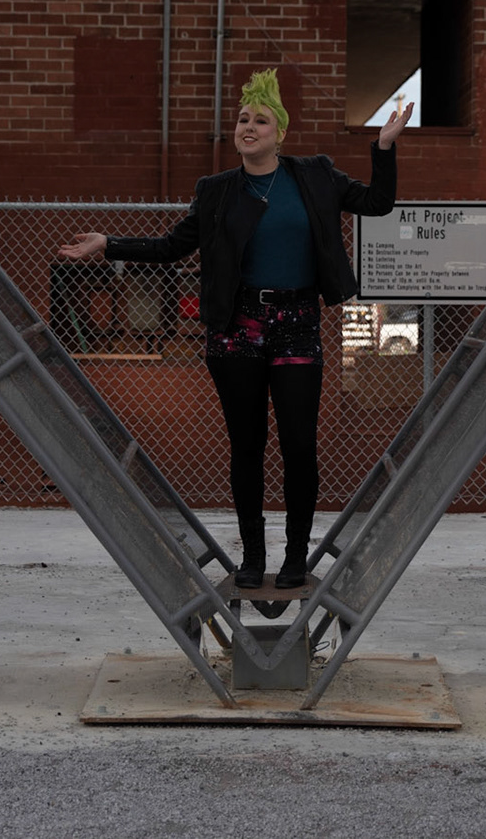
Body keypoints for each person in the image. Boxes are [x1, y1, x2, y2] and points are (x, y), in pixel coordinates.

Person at [59, 70, 411, 592]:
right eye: (243, 119)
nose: (248, 127)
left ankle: (296, 557)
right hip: (237, 330)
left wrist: (382, 147)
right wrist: (110, 244)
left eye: (260, 120)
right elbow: (172, 247)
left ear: (280, 132)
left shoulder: (315, 176)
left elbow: (378, 203)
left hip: (297, 324)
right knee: (247, 446)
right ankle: (252, 556)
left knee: (298, 445)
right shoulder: (217, 191)